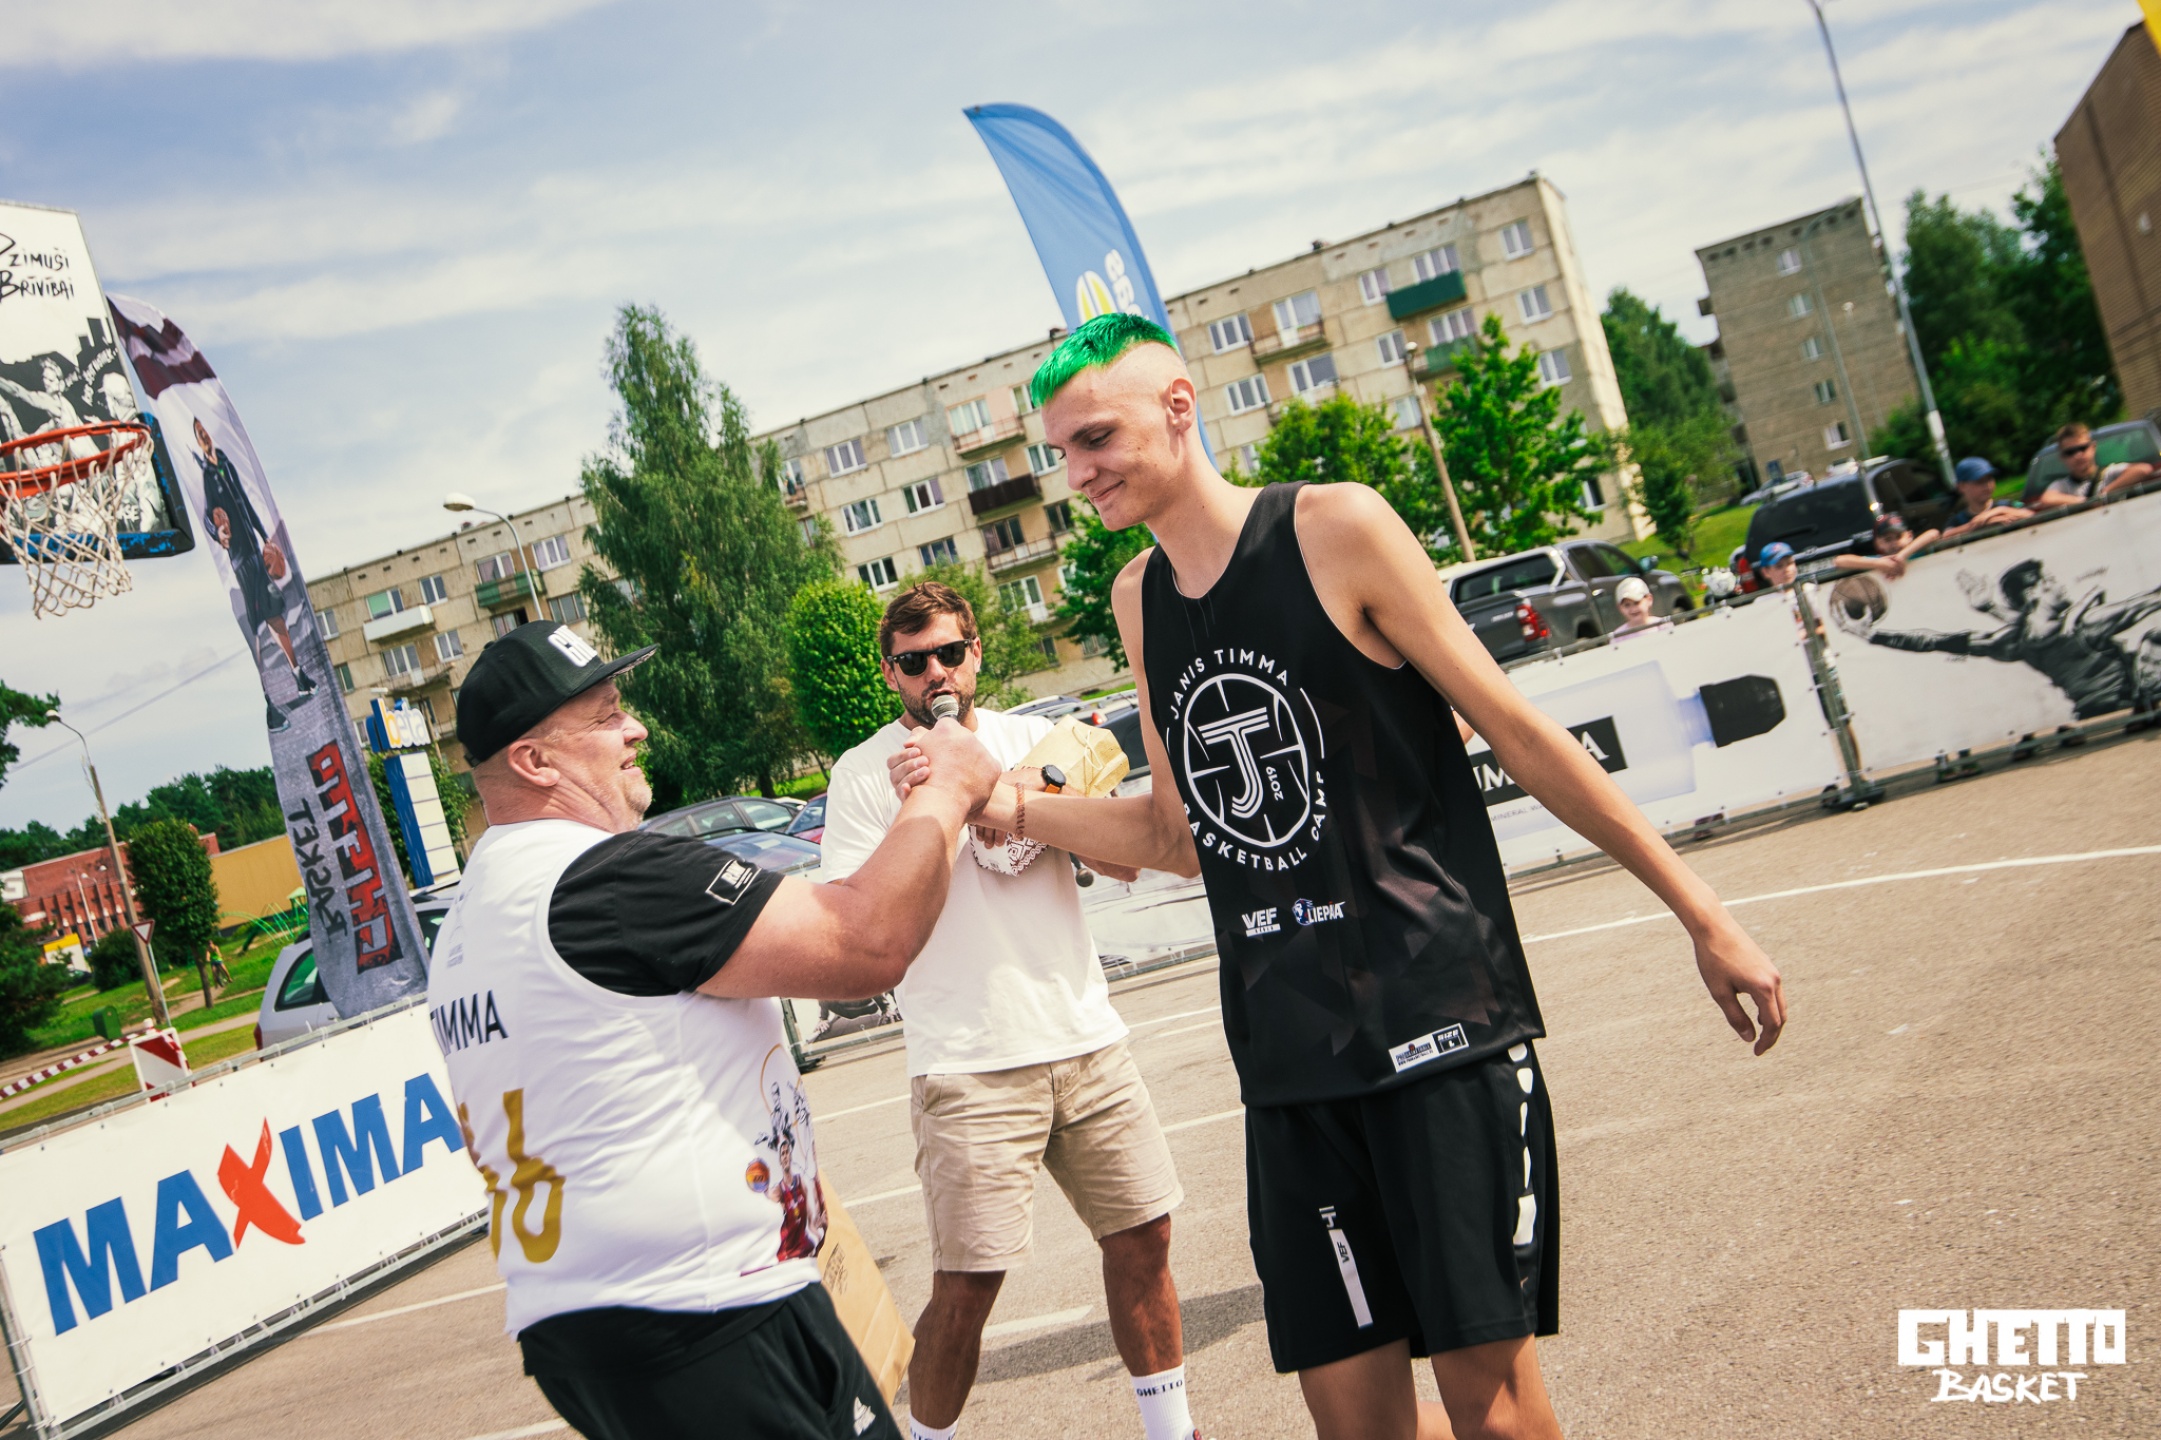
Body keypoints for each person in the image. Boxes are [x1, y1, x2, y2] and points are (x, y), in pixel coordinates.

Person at [890, 314, 1785, 1440]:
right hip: (1290, 1057)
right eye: (1061, 450)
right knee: (1355, 1425)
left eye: (1097, 438)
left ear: (1179, 408)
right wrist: (999, 799)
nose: (1077, 474)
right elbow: (1176, 833)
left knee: (1494, 1412)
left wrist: (1703, 912)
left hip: (1436, 1023)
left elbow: (1515, 730)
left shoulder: (1334, 528)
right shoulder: (1138, 598)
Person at [428, 621, 1003, 1440]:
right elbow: (867, 943)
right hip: (705, 1309)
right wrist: (945, 790)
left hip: (592, 1313)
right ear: (535, 761)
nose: (635, 729)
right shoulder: (607, 879)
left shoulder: (474, 912)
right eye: (606, 715)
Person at [821, 582, 1196, 1440]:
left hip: (1086, 1039)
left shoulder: (1036, 740)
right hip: (966, 1060)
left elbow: (1128, 859)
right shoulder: (865, 772)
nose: (936, 674)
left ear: (975, 653)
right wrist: (934, 801)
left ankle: (1174, 1432)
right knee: (966, 1285)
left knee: (1144, 1239)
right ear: (890, 674)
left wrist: (1020, 789)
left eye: (950, 653)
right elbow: (859, 914)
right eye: (914, 662)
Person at [1857, 557, 2161, 720]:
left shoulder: (2014, 643)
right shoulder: (2087, 623)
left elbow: (1934, 640)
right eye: (2050, 580)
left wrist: (1872, 635)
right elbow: (2149, 600)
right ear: (2034, 592)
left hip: (2090, 713)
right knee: (2153, 641)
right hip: (2128, 702)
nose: (2059, 584)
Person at [193, 418, 317, 732]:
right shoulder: (207, 474)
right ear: (197, 440)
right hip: (239, 558)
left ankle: (298, 674)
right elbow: (208, 516)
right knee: (257, 627)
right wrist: (218, 533)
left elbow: (246, 504)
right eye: (199, 434)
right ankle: (270, 704)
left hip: (253, 549)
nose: (204, 436)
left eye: (205, 431)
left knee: (275, 613)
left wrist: (264, 536)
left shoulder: (225, 463)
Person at [2034, 422, 2155, 510]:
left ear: (2093, 447)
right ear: (2062, 457)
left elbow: (2143, 469)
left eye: (2082, 448)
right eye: (2070, 452)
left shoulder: (2109, 473)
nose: (2078, 455)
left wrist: (2105, 492)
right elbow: (2047, 499)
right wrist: (2085, 502)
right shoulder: (2063, 485)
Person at [1938, 457, 2032, 540]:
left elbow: (2030, 514)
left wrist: (1997, 511)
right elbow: (1946, 536)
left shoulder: (2006, 505)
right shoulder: (1958, 520)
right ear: (1961, 487)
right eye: (1979, 481)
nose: (1987, 485)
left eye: (1989, 479)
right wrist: (1980, 524)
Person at [1831, 514, 1937, 580]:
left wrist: (1902, 556)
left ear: (1909, 536)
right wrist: (1878, 564)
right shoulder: (1879, 560)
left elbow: (1933, 533)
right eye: (1888, 539)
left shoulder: (1919, 551)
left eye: (1898, 537)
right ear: (1878, 543)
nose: (1894, 543)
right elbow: (1839, 561)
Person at [1609, 575, 1667, 641]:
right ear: (1620, 608)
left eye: (1637, 603)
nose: (1633, 609)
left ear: (1649, 599)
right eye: (1627, 605)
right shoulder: (1618, 636)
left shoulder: (1663, 626)